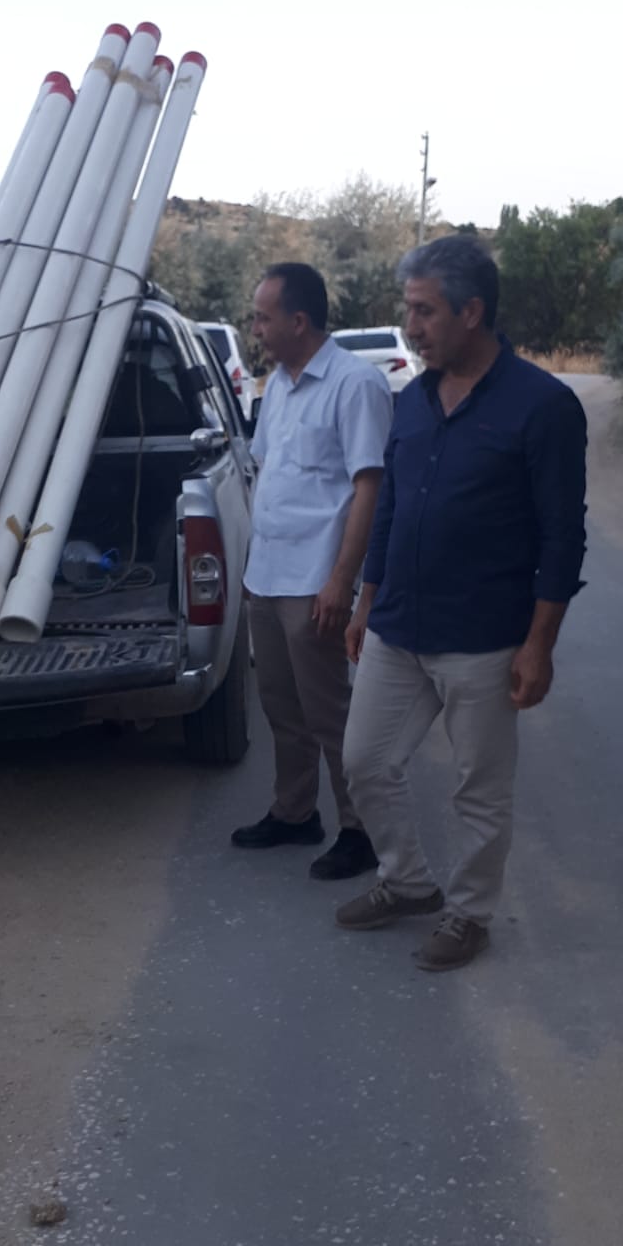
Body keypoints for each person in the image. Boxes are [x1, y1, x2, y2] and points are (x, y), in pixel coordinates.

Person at [337, 236, 587, 970]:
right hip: (397, 626)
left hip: (482, 637)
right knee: (365, 763)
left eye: (425, 311)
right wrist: (365, 601)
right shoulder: (411, 401)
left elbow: (562, 537)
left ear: (471, 312)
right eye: (408, 311)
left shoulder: (543, 406)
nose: (411, 328)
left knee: (479, 790)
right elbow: (389, 510)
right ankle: (407, 882)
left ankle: (469, 914)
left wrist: (539, 644)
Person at [232, 263, 393, 880]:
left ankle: (362, 829)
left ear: (298, 321)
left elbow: (368, 488)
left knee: (330, 712)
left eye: (263, 317)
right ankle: (295, 812)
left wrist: (341, 582)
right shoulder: (277, 384)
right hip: (268, 574)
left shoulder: (355, 385)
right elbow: (269, 472)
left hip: (314, 580)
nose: (255, 328)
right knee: (281, 705)